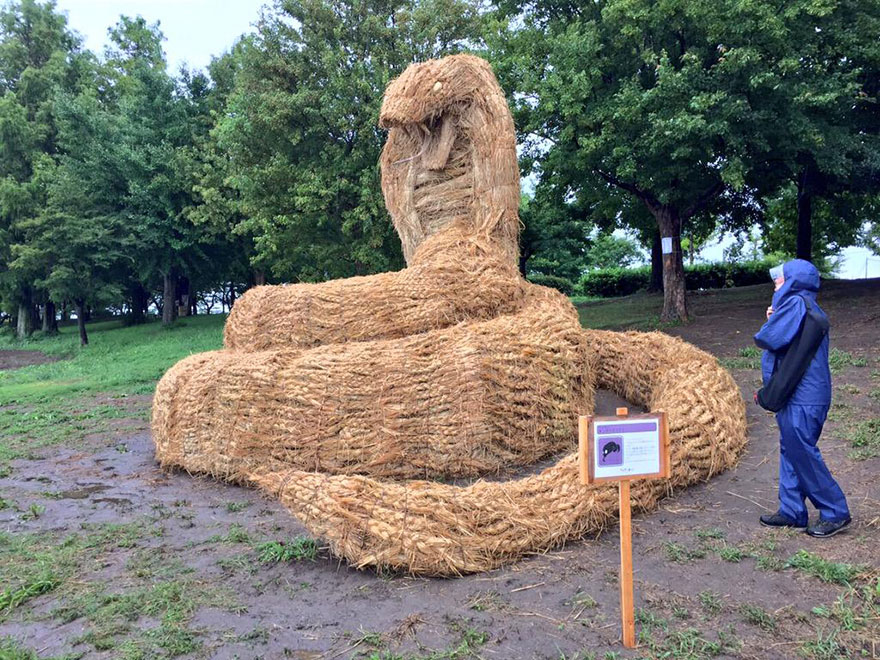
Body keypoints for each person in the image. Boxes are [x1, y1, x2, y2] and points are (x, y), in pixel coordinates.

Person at [753, 259, 851, 537]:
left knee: (802, 453)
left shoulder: (795, 303)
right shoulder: (806, 305)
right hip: (804, 394)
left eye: (780, 279)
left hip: (802, 396)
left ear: (794, 281)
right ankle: (792, 510)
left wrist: (772, 320)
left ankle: (835, 511)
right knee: (791, 449)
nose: (776, 283)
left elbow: (768, 338)